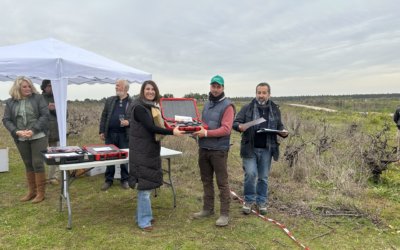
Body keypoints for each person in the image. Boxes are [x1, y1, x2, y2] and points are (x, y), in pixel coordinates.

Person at [127, 80, 184, 231]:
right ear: (142, 91)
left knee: (147, 186)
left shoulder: (150, 107)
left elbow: (160, 124)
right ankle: (144, 221)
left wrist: (173, 126)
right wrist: (172, 132)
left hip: (148, 150)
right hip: (142, 152)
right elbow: (151, 128)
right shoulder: (139, 108)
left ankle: (142, 215)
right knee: (144, 188)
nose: (150, 92)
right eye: (147, 89)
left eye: (153, 89)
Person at [233, 82, 288, 215]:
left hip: (267, 149)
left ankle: (261, 201)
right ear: (256, 93)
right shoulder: (247, 108)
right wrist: (239, 126)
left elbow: (280, 126)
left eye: (264, 93)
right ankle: (249, 200)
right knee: (251, 174)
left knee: (263, 177)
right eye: (259, 92)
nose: (261, 95)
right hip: (249, 148)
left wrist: (283, 132)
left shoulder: (275, 109)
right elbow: (235, 123)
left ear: (269, 94)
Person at [192, 75, 235, 227]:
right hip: (203, 148)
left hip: (219, 151)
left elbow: (226, 129)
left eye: (218, 86)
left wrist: (206, 133)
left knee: (222, 183)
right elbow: (204, 124)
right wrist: (195, 129)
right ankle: (207, 209)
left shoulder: (228, 106)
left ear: (223, 88)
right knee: (206, 180)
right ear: (210, 87)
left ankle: (224, 214)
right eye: (213, 86)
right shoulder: (207, 104)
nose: (215, 89)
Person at [2, 76, 49, 203]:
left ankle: (41, 193)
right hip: (21, 137)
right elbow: (6, 119)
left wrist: (33, 130)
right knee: (28, 163)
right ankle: (31, 192)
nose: (28, 88)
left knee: (37, 163)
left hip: (38, 136)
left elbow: (45, 115)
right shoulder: (11, 102)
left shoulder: (38, 98)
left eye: (29, 86)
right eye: (24, 86)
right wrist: (16, 131)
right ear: (18, 88)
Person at [99, 79, 132, 191]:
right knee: (109, 157)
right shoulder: (110, 100)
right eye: (116, 85)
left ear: (125, 88)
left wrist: (129, 122)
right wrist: (102, 131)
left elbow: (137, 119)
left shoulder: (133, 102)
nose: (116, 87)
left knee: (124, 158)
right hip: (110, 134)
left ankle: (125, 180)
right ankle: (108, 180)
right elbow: (104, 116)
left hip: (124, 135)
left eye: (118, 85)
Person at [41, 79, 60, 185]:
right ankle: (41, 178)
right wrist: (46, 109)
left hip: (55, 132)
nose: (51, 87)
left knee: (54, 155)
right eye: (49, 86)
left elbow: (64, 115)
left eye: (52, 85)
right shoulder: (38, 99)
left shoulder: (58, 98)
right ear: (44, 87)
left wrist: (53, 110)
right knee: (41, 156)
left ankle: (53, 177)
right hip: (42, 132)